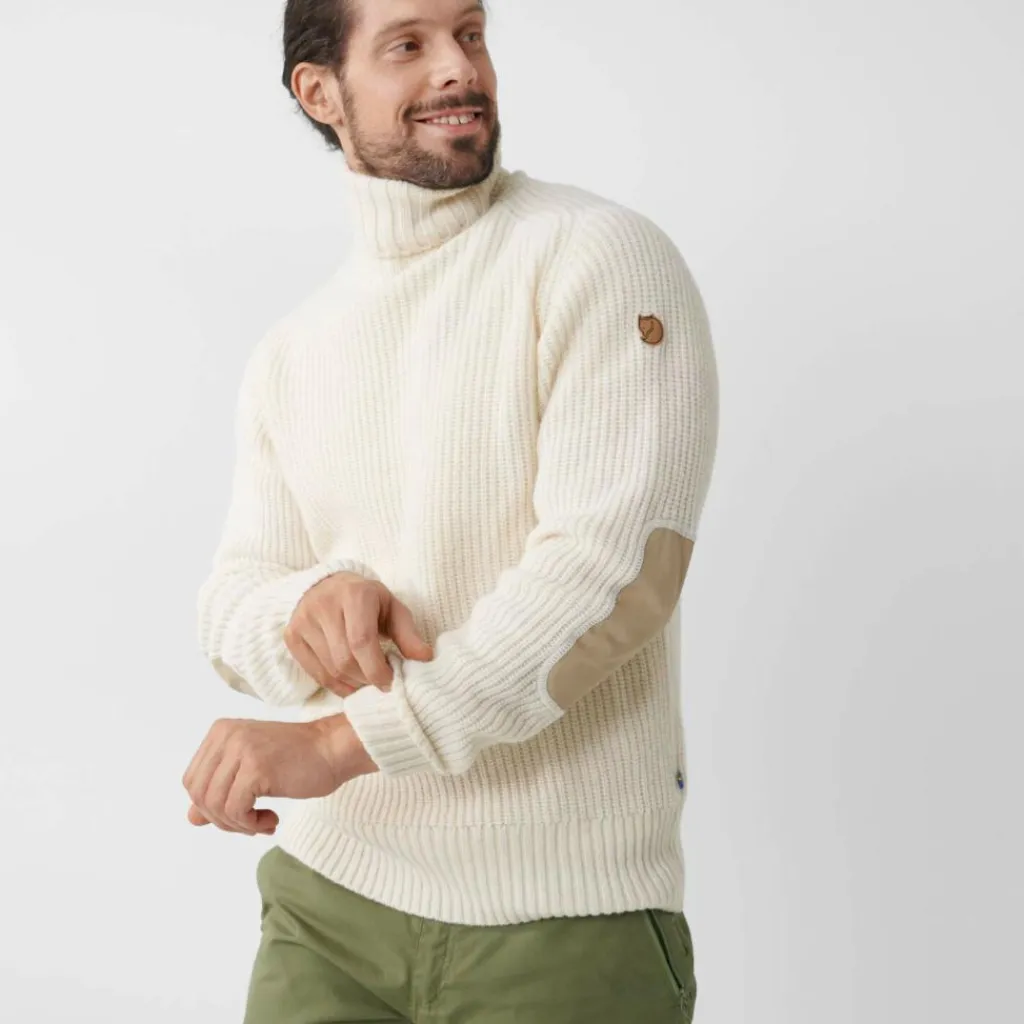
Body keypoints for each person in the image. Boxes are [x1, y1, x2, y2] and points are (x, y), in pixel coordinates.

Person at [182, 0, 719, 1020]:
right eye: (408, 44)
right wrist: (309, 602)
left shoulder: (598, 255)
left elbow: (614, 578)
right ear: (320, 92)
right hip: (327, 904)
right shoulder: (293, 350)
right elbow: (231, 601)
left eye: (469, 34)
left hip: (563, 922)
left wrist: (337, 745)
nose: (457, 69)